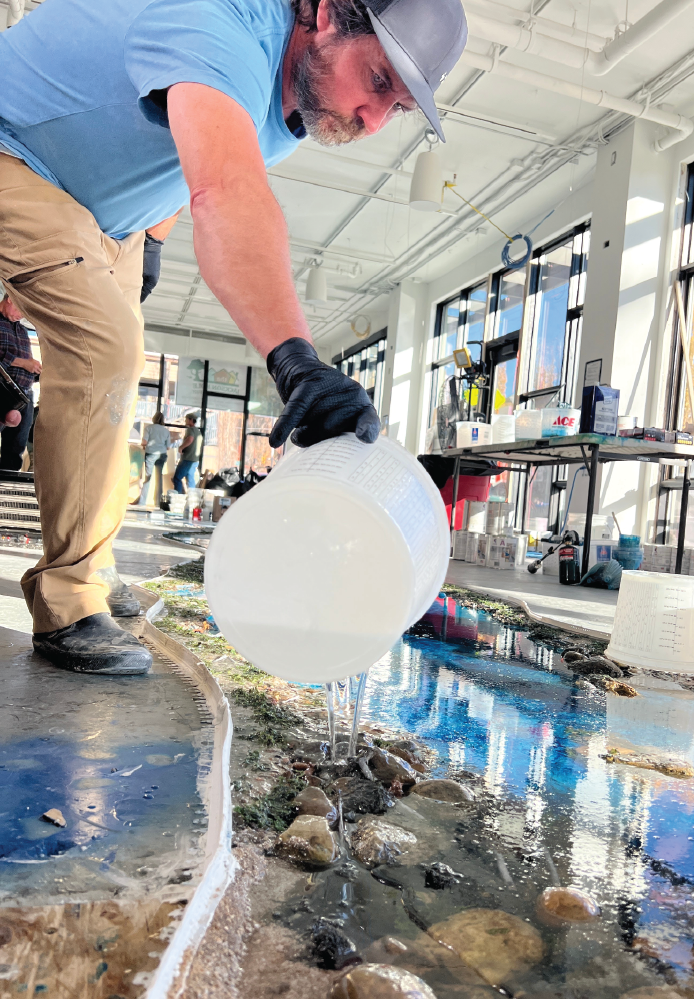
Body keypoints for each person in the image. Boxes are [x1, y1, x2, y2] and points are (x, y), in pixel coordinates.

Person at [0, 0, 467, 675]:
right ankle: (68, 601)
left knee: (117, 370)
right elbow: (226, 191)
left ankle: (91, 566)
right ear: (328, 13)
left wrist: (151, 238)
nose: (373, 120)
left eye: (395, 109)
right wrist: (297, 363)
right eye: (377, 82)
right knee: (106, 350)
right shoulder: (219, 27)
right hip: (18, 154)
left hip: (103, 212)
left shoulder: (300, 87)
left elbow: (181, 146)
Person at [0, 291, 41, 472]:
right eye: (21, 309)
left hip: (24, 395)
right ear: (10, 299)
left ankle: (5, 490)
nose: (22, 315)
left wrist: (37, 372)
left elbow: (26, 367)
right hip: (2, 392)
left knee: (16, 449)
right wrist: (24, 363)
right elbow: (22, 363)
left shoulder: (23, 331)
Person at [138, 411, 173, 505]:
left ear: (154, 418)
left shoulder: (148, 428)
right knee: (159, 478)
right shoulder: (166, 431)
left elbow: (144, 442)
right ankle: (157, 502)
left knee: (148, 478)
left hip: (150, 454)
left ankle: (142, 502)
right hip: (162, 455)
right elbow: (168, 447)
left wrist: (144, 445)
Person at [173, 414, 203, 492]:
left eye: (186, 419)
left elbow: (190, 439)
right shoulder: (198, 431)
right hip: (195, 460)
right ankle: (192, 499)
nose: (185, 421)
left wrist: (181, 447)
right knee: (190, 480)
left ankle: (177, 498)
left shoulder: (190, 430)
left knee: (177, 478)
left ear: (191, 420)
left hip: (187, 459)